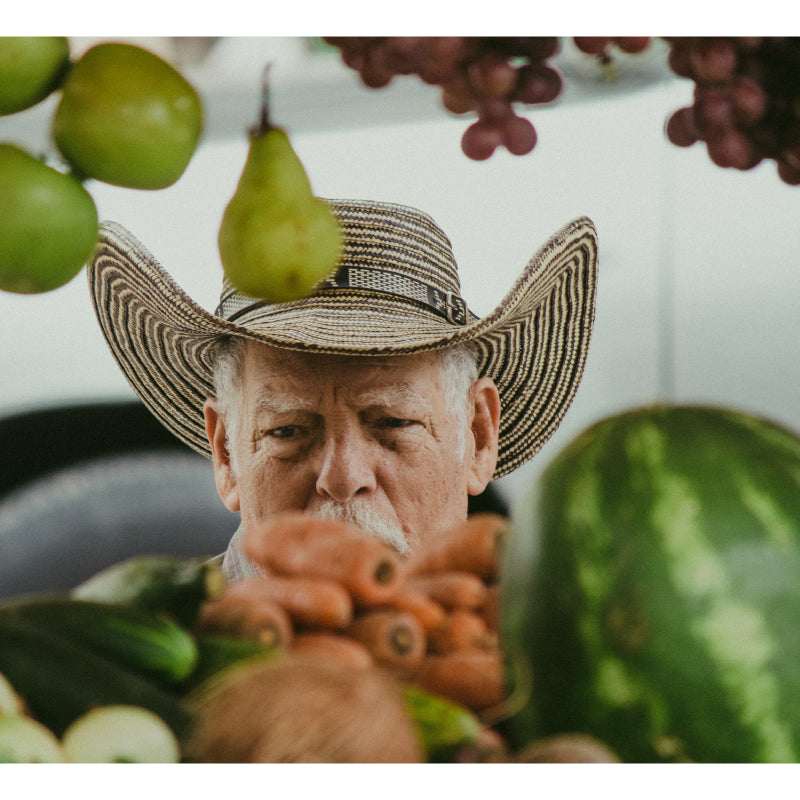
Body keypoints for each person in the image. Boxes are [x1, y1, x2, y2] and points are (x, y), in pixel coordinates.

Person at [88, 197, 597, 587]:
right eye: (287, 431)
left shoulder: (538, 653)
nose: (343, 478)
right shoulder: (144, 667)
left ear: (479, 438)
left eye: (394, 424)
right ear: (225, 454)